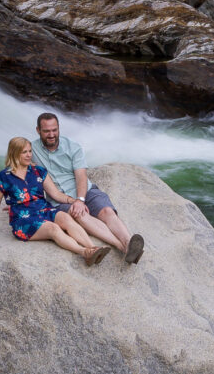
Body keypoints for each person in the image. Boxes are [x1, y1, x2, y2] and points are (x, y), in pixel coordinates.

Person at [0, 136, 111, 266]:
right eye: (24, 152)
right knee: (53, 229)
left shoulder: (38, 171)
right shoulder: (3, 177)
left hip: (45, 210)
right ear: (14, 153)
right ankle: (84, 253)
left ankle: (94, 248)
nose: (29, 155)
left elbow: (56, 194)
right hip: (23, 219)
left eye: (30, 151)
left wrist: (77, 201)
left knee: (65, 217)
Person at [32, 112, 145, 264]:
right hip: (59, 199)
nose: (51, 134)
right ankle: (123, 248)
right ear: (38, 130)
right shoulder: (31, 150)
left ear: (59, 128)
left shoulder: (73, 147)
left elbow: (81, 176)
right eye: (46, 131)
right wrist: (16, 197)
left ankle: (128, 241)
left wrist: (80, 199)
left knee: (106, 211)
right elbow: (14, 168)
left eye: (55, 130)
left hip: (84, 191)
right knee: (81, 215)